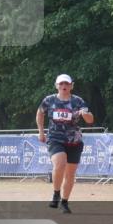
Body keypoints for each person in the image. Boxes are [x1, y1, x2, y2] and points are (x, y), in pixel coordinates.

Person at [36, 74, 93, 214]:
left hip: (74, 141)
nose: (64, 86)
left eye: (66, 84)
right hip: (55, 138)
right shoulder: (49, 100)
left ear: (71, 86)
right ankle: (56, 193)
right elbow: (39, 113)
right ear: (56, 86)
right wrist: (41, 132)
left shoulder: (78, 101)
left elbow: (90, 120)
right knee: (60, 163)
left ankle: (65, 202)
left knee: (70, 174)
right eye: (61, 84)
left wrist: (84, 114)